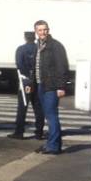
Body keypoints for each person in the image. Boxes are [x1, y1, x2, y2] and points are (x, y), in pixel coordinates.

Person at [33, 20, 69, 155]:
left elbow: (62, 66)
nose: (43, 32)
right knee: (49, 115)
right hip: (40, 84)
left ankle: (53, 147)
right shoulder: (38, 45)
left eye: (45, 29)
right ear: (36, 31)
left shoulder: (55, 46)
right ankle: (53, 144)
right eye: (40, 30)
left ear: (48, 30)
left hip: (51, 86)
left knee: (51, 115)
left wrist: (61, 86)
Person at [8, 32, 45, 140]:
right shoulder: (39, 49)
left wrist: (27, 75)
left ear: (25, 38)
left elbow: (19, 64)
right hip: (37, 80)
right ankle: (39, 132)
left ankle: (19, 132)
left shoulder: (21, 49)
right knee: (38, 107)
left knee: (22, 107)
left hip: (26, 81)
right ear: (34, 38)